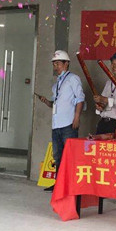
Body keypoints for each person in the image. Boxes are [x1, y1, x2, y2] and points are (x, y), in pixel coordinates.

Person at [36, 50, 85, 193]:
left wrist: (76, 117)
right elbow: (56, 103)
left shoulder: (73, 79)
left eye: (58, 63)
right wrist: (47, 102)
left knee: (69, 156)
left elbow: (80, 99)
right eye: (54, 64)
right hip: (57, 124)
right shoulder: (57, 82)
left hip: (68, 123)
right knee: (58, 155)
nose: (55, 66)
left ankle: (69, 186)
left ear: (66, 63)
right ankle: (58, 184)